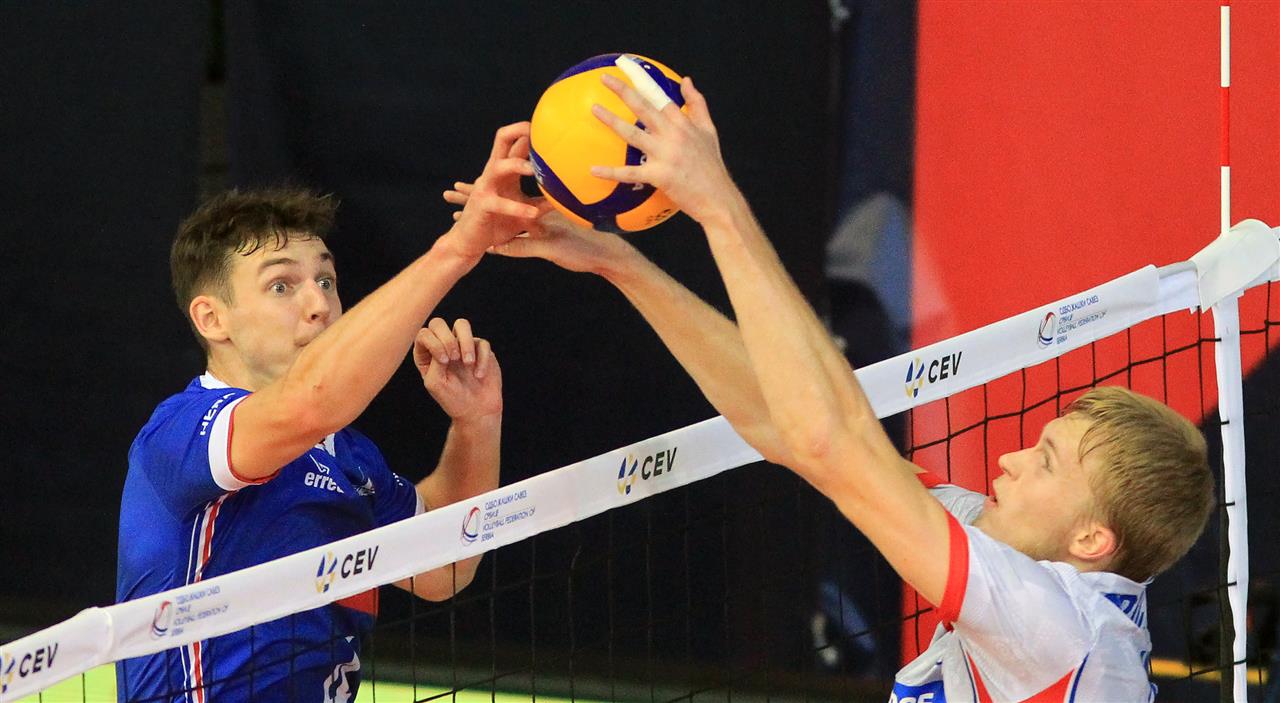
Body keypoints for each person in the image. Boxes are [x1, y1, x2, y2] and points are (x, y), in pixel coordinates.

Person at [449, 75, 1215, 700]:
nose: (1010, 460)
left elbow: (829, 438)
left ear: (1092, 540)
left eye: (1045, 462)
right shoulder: (1019, 557)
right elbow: (790, 427)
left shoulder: (1058, 630)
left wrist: (719, 204)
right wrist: (617, 262)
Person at [116, 124, 539, 702]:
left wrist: (476, 424)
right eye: (282, 286)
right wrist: (459, 247)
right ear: (213, 319)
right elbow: (312, 401)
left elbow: (443, 568)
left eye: (326, 279)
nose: (319, 303)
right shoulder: (183, 429)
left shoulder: (350, 458)